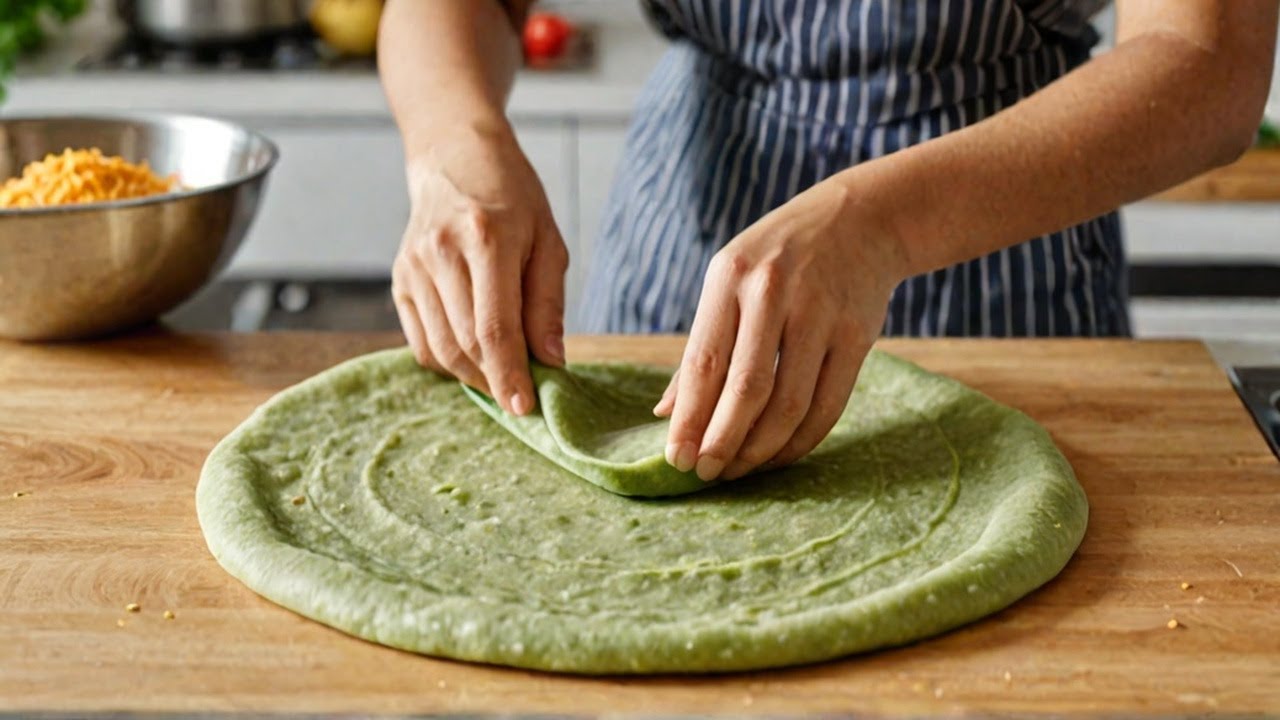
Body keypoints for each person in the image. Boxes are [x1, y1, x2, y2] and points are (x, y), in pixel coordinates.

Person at [378, 1, 1277, 482]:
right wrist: (456, 148)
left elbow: (1207, 61)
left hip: (1004, 254)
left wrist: (880, 224)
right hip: (677, 247)